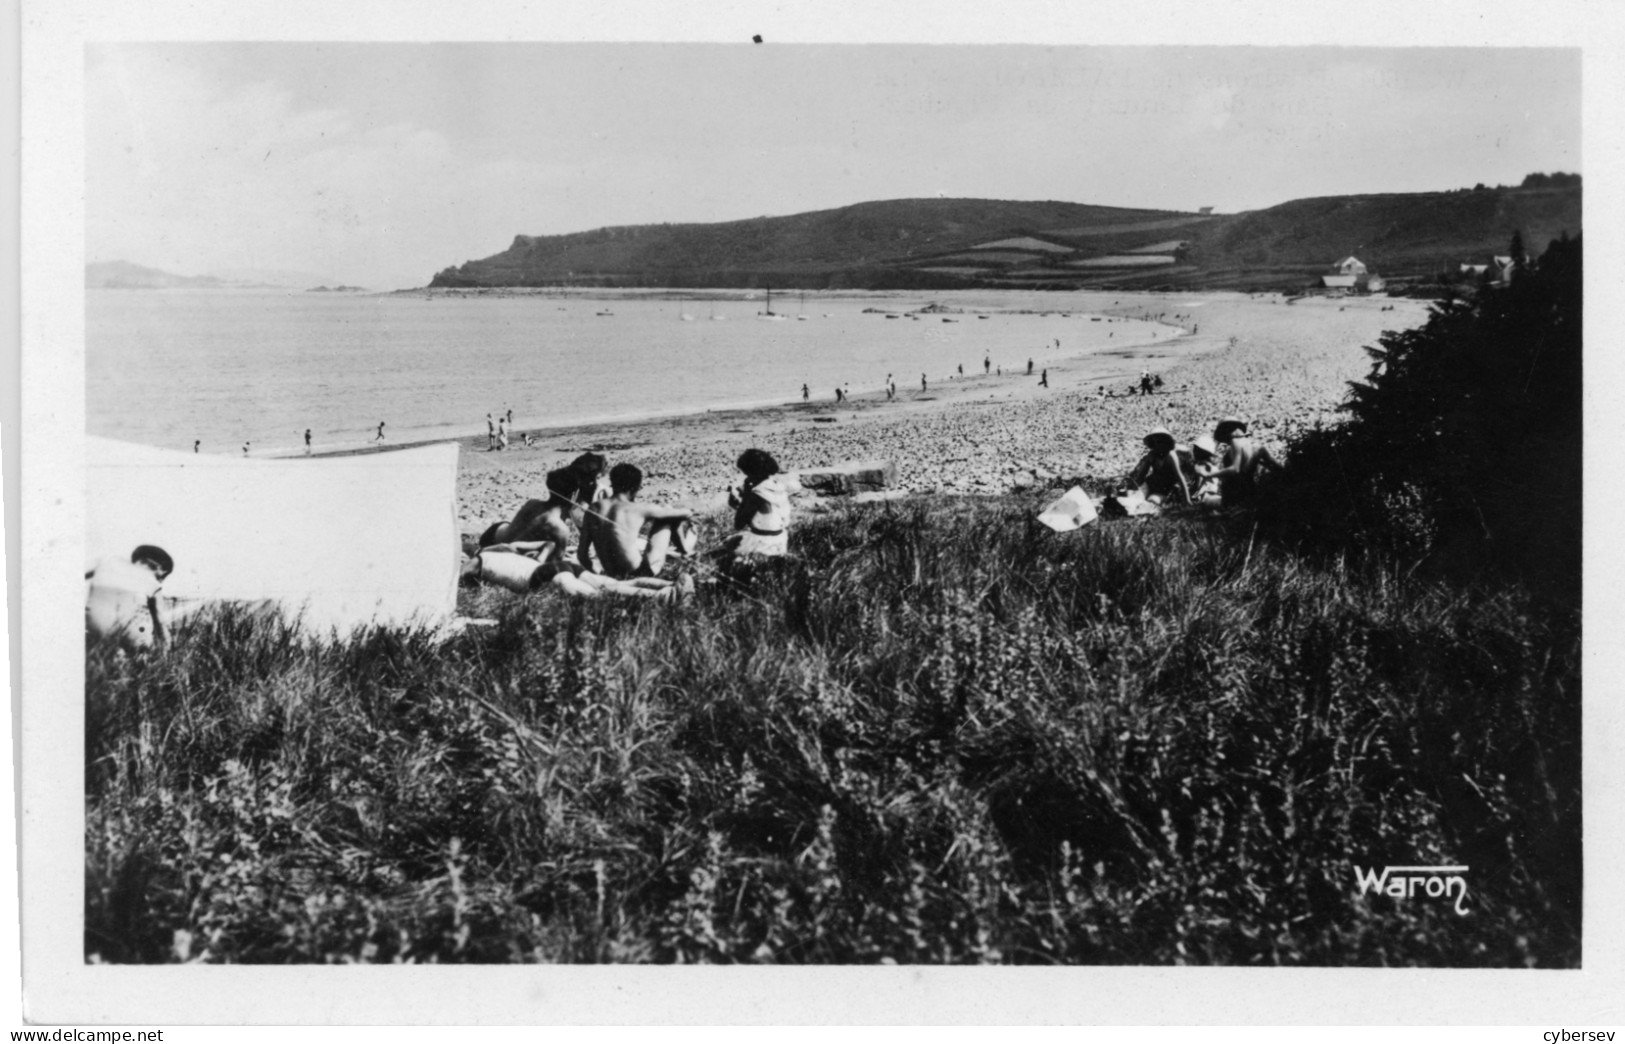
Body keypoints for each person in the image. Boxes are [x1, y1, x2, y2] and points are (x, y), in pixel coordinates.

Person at [578, 462, 696, 585]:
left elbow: (582, 555)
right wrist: (689, 514)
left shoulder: (593, 508)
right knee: (668, 515)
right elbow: (684, 513)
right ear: (634, 488)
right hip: (640, 574)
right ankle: (686, 552)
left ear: (612, 484)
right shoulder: (637, 508)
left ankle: (685, 552)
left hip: (611, 575)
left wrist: (597, 575)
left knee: (666, 514)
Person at [479, 452, 607, 559]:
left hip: (492, 535)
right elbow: (557, 560)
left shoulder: (532, 503)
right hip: (503, 549)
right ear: (574, 495)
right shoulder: (561, 529)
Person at [86, 544, 174, 650]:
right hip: (132, 633)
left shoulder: (105, 560)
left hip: (96, 627)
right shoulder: (154, 582)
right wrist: (166, 651)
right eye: (162, 577)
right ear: (159, 568)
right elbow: (160, 622)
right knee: (142, 645)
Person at [718, 448, 791, 561]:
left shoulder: (757, 494)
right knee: (733, 540)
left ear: (751, 472)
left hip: (762, 544)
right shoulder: (779, 486)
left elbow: (739, 524)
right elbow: (764, 514)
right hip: (780, 541)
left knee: (725, 545)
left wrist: (745, 495)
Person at [1207, 418, 1279, 506]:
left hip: (1234, 494)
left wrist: (1209, 475)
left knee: (1207, 501)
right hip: (1250, 492)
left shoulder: (1235, 442)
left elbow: (1235, 469)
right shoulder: (1257, 447)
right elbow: (1277, 467)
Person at [1126, 427, 1194, 507]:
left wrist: (1187, 500)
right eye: (1156, 442)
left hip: (1165, 488)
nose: (1159, 445)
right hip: (1151, 484)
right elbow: (1142, 475)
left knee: (1152, 501)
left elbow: (1180, 478)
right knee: (1135, 499)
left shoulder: (1170, 456)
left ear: (1166, 442)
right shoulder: (1151, 455)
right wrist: (1134, 487)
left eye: (1161, 441)